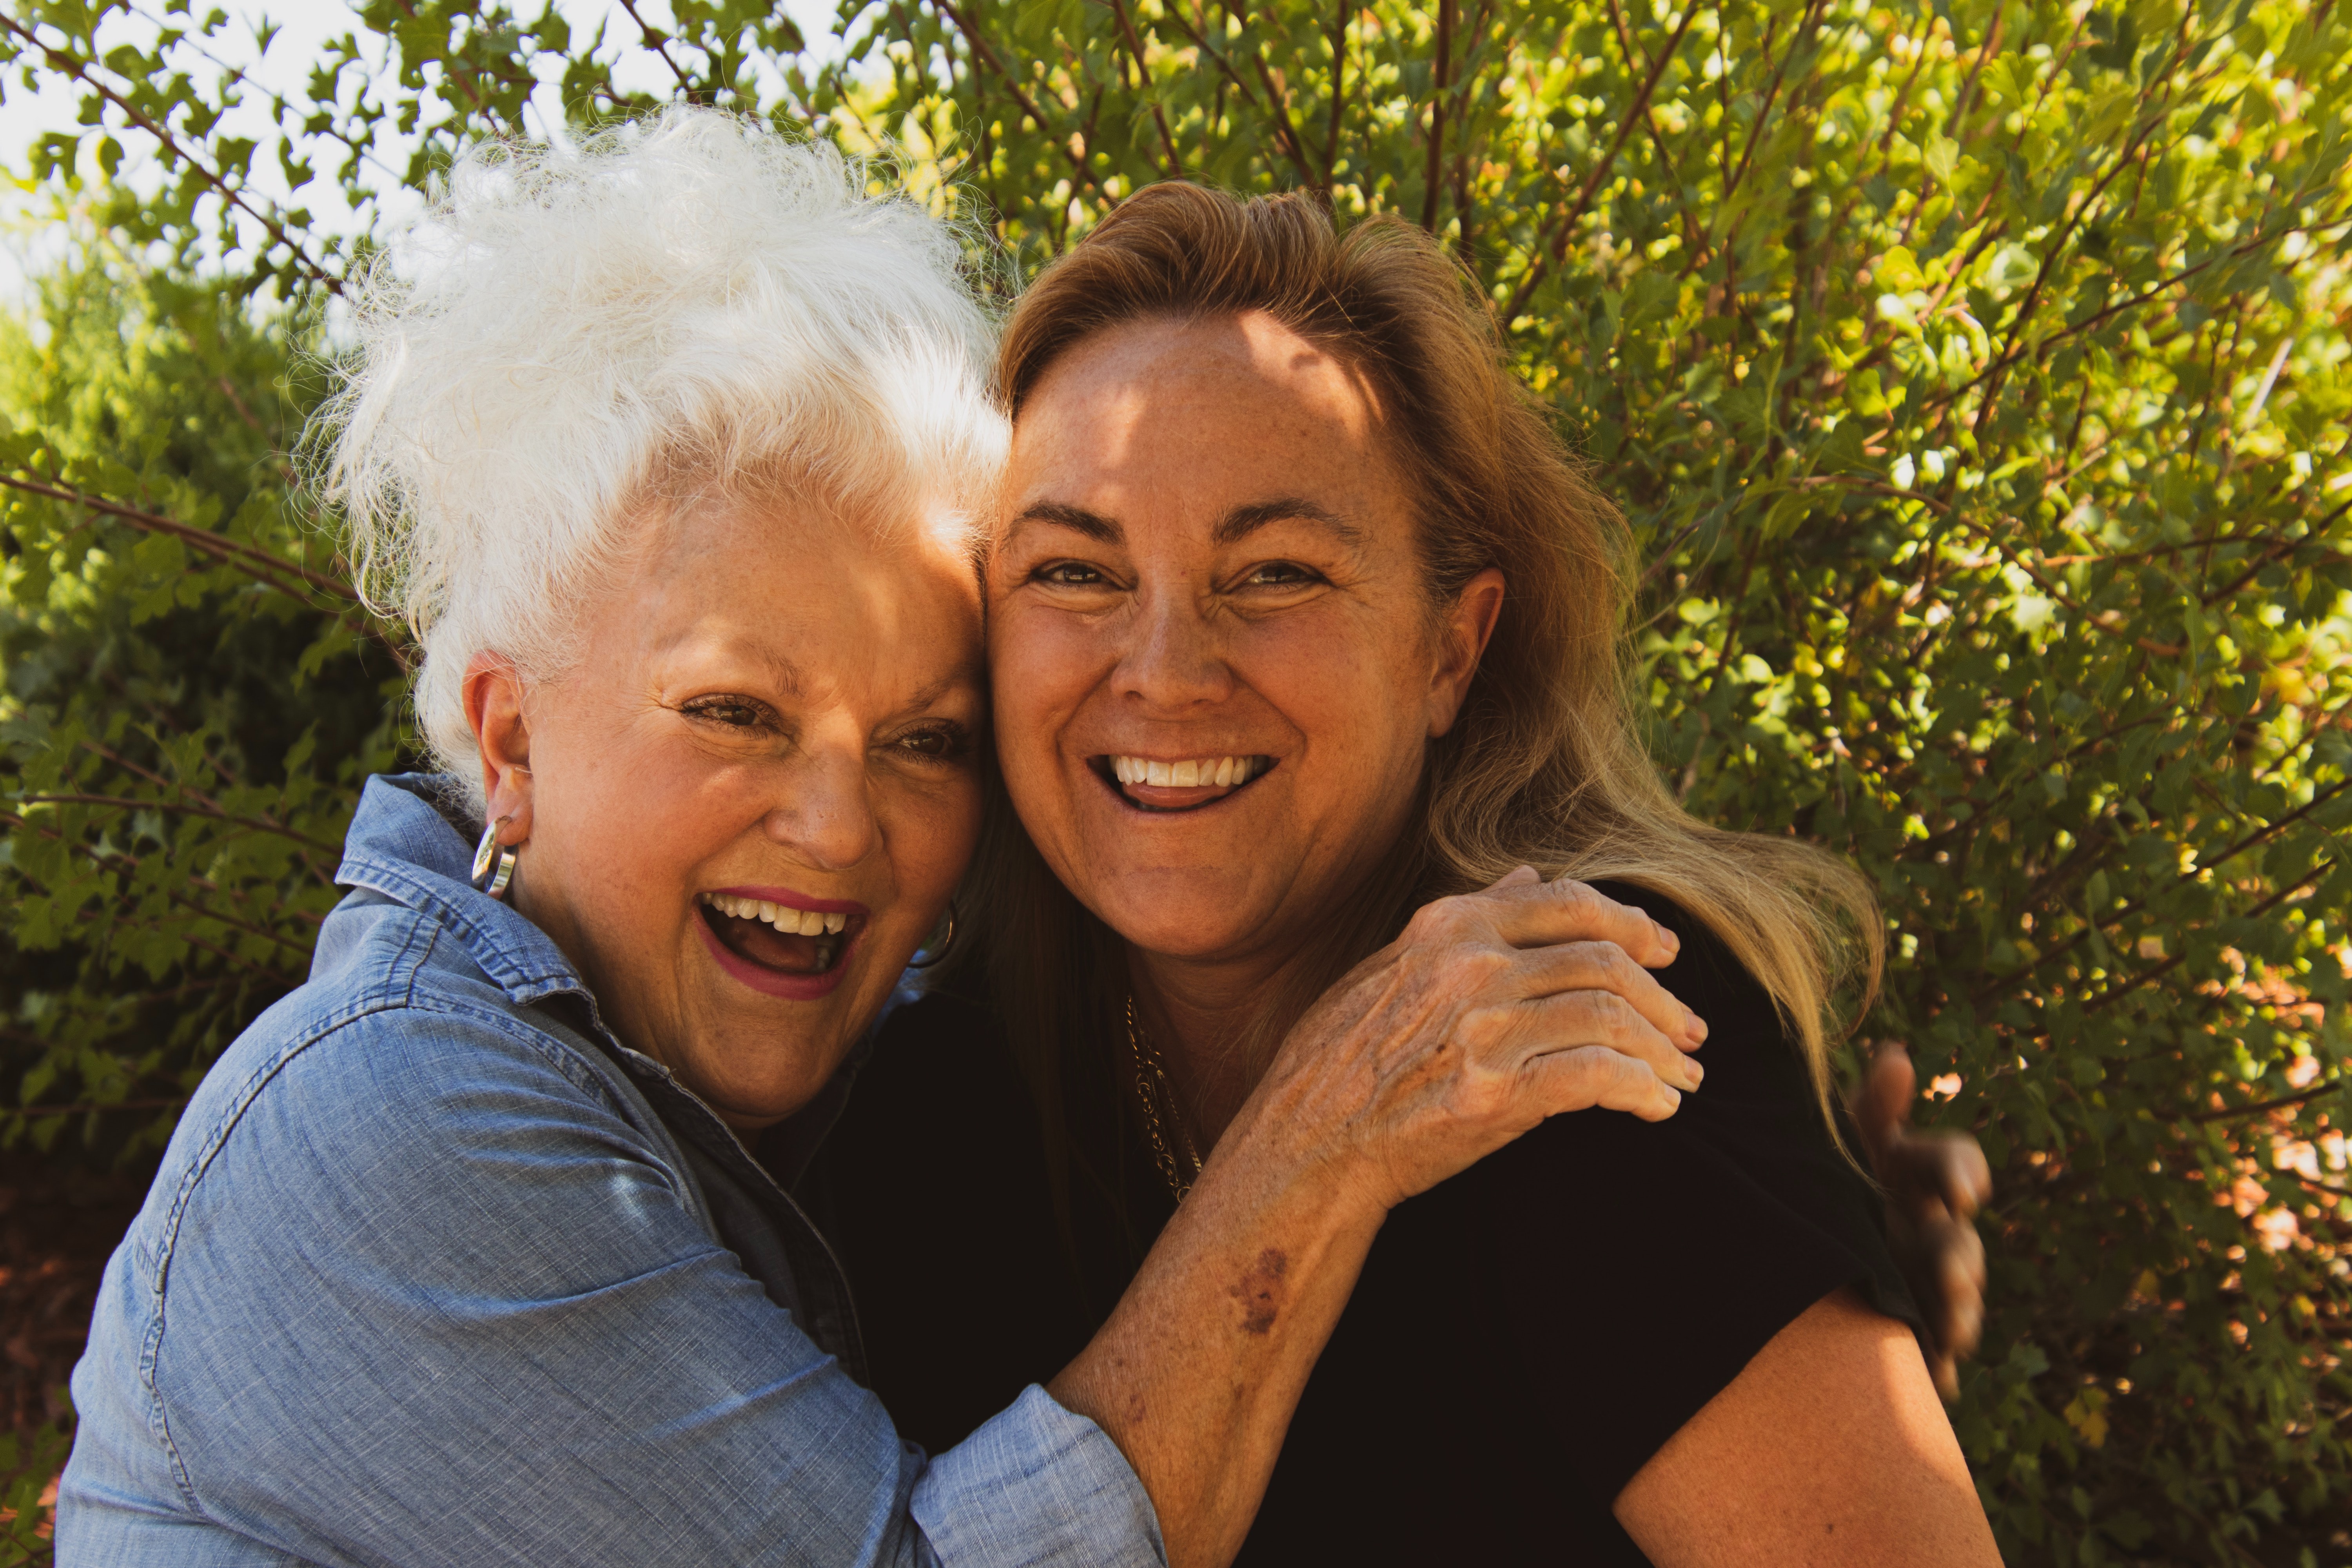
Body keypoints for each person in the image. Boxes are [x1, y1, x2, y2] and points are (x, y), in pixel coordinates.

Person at [56, 118, 1712, 1568]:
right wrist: (1322, 1135)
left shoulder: (820, 1096)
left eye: (925, 739)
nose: (842, 829)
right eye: (733, 713)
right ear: (508, 737)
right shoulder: (393, 1122)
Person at [800, 184, 2004, 1565]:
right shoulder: (927, 1109)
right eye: (1075, 572)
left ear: (1451, 650)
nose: (1166, 671)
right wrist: (1314, 1144)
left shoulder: (1578, 1034)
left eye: (1276, 575)